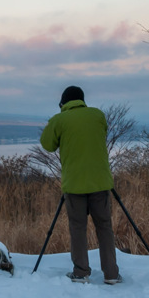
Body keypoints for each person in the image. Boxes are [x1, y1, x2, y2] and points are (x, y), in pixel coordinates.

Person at [40, 85, 121, 284]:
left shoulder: (59, 120)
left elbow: (47, 145)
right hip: (100, 182)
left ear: (63, 102)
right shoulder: (98, 115)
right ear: (82, 100)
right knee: (104, 227)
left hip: (74, 184)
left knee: (78, 228)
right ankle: (111, 273)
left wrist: (57, 121)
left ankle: (81, 272)